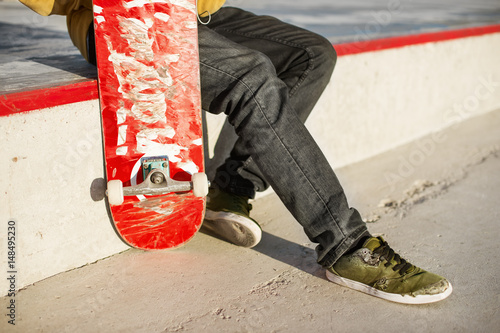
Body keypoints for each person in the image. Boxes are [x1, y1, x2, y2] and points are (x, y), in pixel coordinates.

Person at [19, 0, 452, 304]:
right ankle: (346, 245)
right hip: (122, 21)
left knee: (312, 54)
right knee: (251, 77)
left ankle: (230, 188)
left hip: (198, 16)